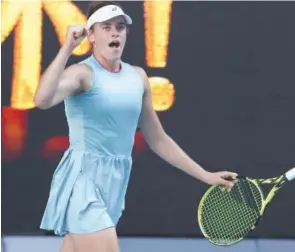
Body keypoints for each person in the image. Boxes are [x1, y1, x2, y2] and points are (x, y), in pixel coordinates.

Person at [35, 1, 237, 252]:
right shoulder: (82, 74)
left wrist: (205, 175)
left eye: (119, 27)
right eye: (106, 27)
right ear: (91, 35)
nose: (114, 33)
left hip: (115, 184)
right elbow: (42, 100)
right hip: (83, 182)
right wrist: (67, 48)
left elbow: (158, 139)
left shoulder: (138, 77)